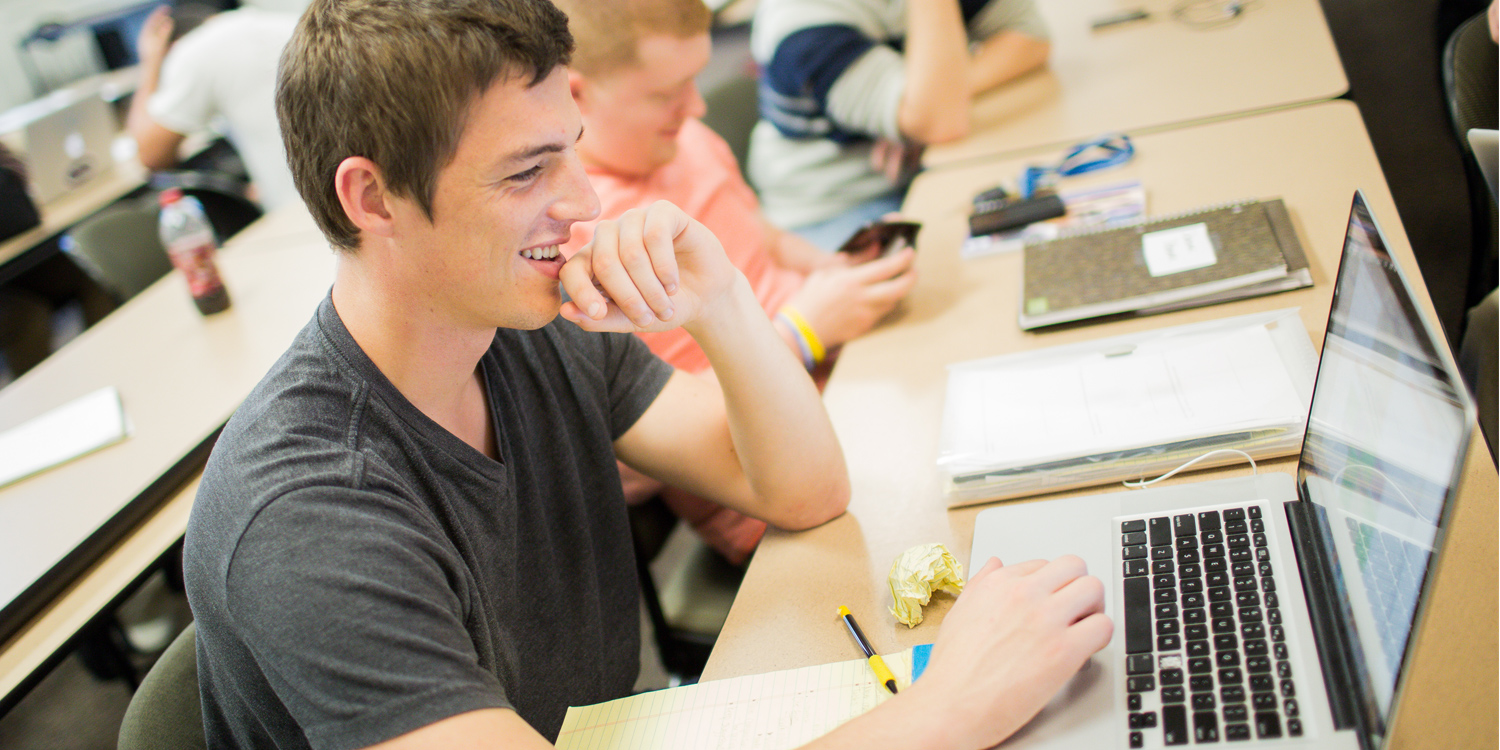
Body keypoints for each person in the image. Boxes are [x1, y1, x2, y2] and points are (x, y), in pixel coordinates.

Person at [183, 2, 1110, 749]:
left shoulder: (516, 323)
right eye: (526, 173)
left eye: (572, 147)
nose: (584, 201)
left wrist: (719, 298)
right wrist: (950, 711)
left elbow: (801, 492)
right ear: (372, 196)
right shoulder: (306, 514)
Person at [555, 0, 919, 563]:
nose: (696, 105)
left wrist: (828, 268)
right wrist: (804, 330)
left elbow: (759, 233)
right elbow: (689, 418)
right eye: (665, 93)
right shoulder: (585, 245)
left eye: (695, 79)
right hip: (779, 495)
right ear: (576, 95)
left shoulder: (687, 140)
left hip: (850, 383)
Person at [749, 0, 1051, 249]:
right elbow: (941, 122)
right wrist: (928, 107)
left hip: (923, 169)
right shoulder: (798, 18)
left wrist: (928, 100)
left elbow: (1031, 37)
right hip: (836, 206)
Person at [127, 3, 300, 210]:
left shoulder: (194, 50)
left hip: (296, 211)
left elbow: (150, 155)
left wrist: (151, 61)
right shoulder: (280, 22)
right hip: (334, 199)